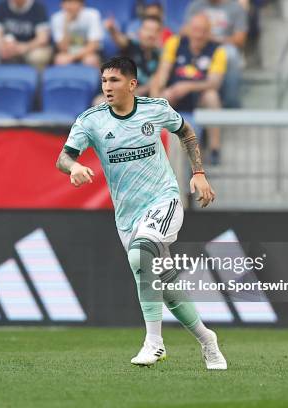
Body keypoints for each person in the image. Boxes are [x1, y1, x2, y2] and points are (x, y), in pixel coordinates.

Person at [55, 56, 226, 370]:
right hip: (127, 216)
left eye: (115, 80)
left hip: (165, 200)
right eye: (104, 80)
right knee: (165, 285)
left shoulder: (154, 109)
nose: (107, 87)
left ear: (132, 84)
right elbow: (63, 158)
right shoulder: (91, 120)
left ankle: (154, 343)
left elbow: (186, 132)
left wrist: (198, 172)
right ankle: (207, 340)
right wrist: (75, 166)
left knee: (140, 255)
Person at [150, 14, 226, 165]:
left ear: (209, 32)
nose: (199, 35)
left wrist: (188, 86)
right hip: (175, 94)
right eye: (196, 30)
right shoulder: (175, 43)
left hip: (199, 97)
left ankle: (214, 149)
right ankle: (151, 142)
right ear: (188, 30)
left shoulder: (218, 50)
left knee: (212, 96)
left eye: (203, 31)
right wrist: (162, 92)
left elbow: (214, 82)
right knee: (162, 95)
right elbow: (163, 73)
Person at [185, 0, 248, 107]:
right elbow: (186, 29)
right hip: (199, 44)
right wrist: (200, 35)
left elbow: (240, 39)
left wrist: (213, 39)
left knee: (230, 53)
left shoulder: (235, 7)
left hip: (223, 45)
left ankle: (230, 102)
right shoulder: (196, 5)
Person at [0, 0, 52, 71]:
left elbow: (43, 38)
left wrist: (24, 47)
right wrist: (2, 47)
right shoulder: (2, 6)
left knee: (38, 57)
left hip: (29, 47)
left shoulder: (38, 7)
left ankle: (35, 81)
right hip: (7, 47)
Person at [104, 15, 162, 97]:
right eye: (147, 30)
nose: (151, 34)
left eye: (155, 31)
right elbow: (121, 41)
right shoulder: (132, 46)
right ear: (139, 31)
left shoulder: (161, 56)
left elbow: (156, 83)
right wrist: (112, 30)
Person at [50, 0, 103, 67]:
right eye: (67, 2)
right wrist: (66, 25)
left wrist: (72, 57)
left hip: (88, 52)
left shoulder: (93, 14)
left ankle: (100, 77)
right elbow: (62, 48)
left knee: (90, 60)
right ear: (62, 5)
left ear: (82, 4)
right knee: (60, 60)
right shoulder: (56, 18)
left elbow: (93, 45)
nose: (70, 6)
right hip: (67, 52)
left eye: (74, 2)